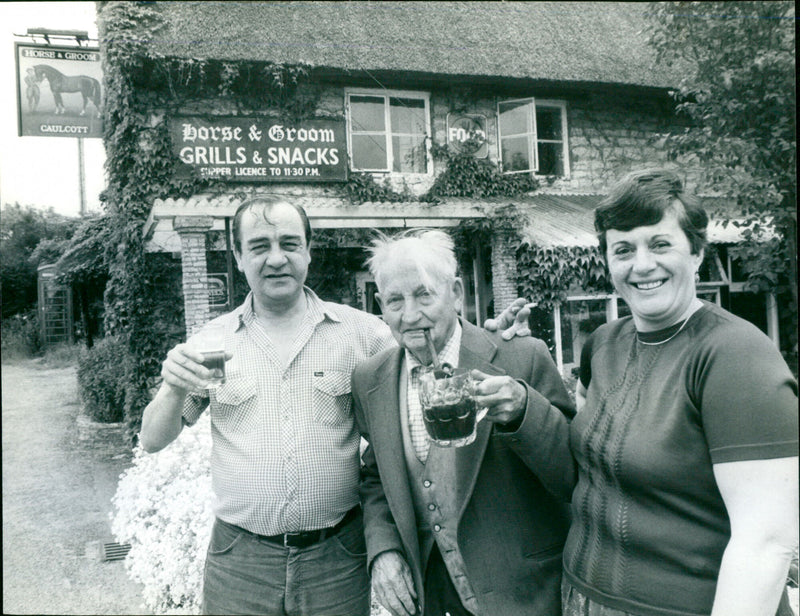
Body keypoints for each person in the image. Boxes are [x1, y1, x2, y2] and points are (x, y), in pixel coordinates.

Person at [139, 196, 532, 615]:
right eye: (259, 246)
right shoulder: (213, 341)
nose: (277, 258)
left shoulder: (362, 334)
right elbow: (152, 439)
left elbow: (428, 345)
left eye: (290, 243)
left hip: (337, 558)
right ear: (237, 256)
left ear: (308, 250)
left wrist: (490, 340)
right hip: (240, 560)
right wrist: (173, 387)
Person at [564, 169, 799, 616]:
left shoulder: (735, 355)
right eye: (623, 250)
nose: (642, 264)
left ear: (697, 253)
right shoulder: (602, 344)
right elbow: (589, 458)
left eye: (660, 244)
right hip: (580, 597)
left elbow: (766, 541)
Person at [353, 229, 576, 616]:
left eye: (424, 294)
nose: (410, 314)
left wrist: (525, 409)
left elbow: (572, 475)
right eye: (395, 300)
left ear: (455, 292)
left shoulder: (522, 356)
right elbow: (376, 477)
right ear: (380, 305)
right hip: (431, 595)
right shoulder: (370, 379)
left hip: (522, 594)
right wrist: (384, 549)